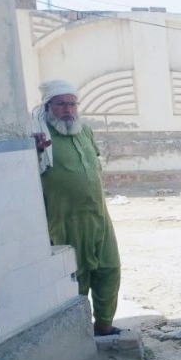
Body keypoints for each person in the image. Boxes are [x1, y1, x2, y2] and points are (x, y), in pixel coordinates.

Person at [32, 80, 123, 337]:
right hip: (66, 219)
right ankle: (79, 334)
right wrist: (33, 150)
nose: (68, 110)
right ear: (48, 106)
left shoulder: (85, 131)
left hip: (98, 214)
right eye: (61, 104)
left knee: (109, 268)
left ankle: (104, 326)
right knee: (78, 275)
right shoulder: (39, 137)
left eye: (72, 103)